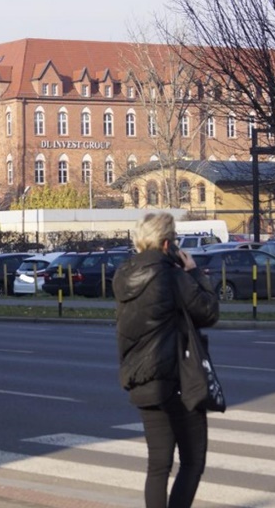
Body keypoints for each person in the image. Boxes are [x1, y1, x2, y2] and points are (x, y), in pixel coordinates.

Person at [113, 212, 220, 508]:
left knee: (158, 465)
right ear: (166, 244)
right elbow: (208, 312)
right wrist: (195, 273)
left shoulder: (123, 276)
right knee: (192, 460)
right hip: (177, 381)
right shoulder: (173, 277)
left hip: (141, 379)